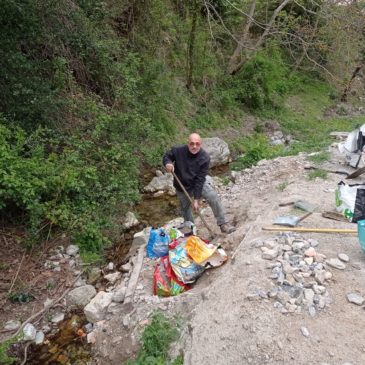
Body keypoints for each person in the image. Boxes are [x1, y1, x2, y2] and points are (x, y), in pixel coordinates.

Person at [163, 133, 236, 234]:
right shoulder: (178, 150)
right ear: (188, 143)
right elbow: (167, 156)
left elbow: (200, 180)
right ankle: (191, 229)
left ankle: (223, 224)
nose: (194, 146)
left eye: (197, 144)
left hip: (197, 183)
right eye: (192, 144)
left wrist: (196, 199)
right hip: (182, 185)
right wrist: (168, 163)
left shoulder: (204, 158)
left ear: (201, 144)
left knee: (213, 196)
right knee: (185, 208)